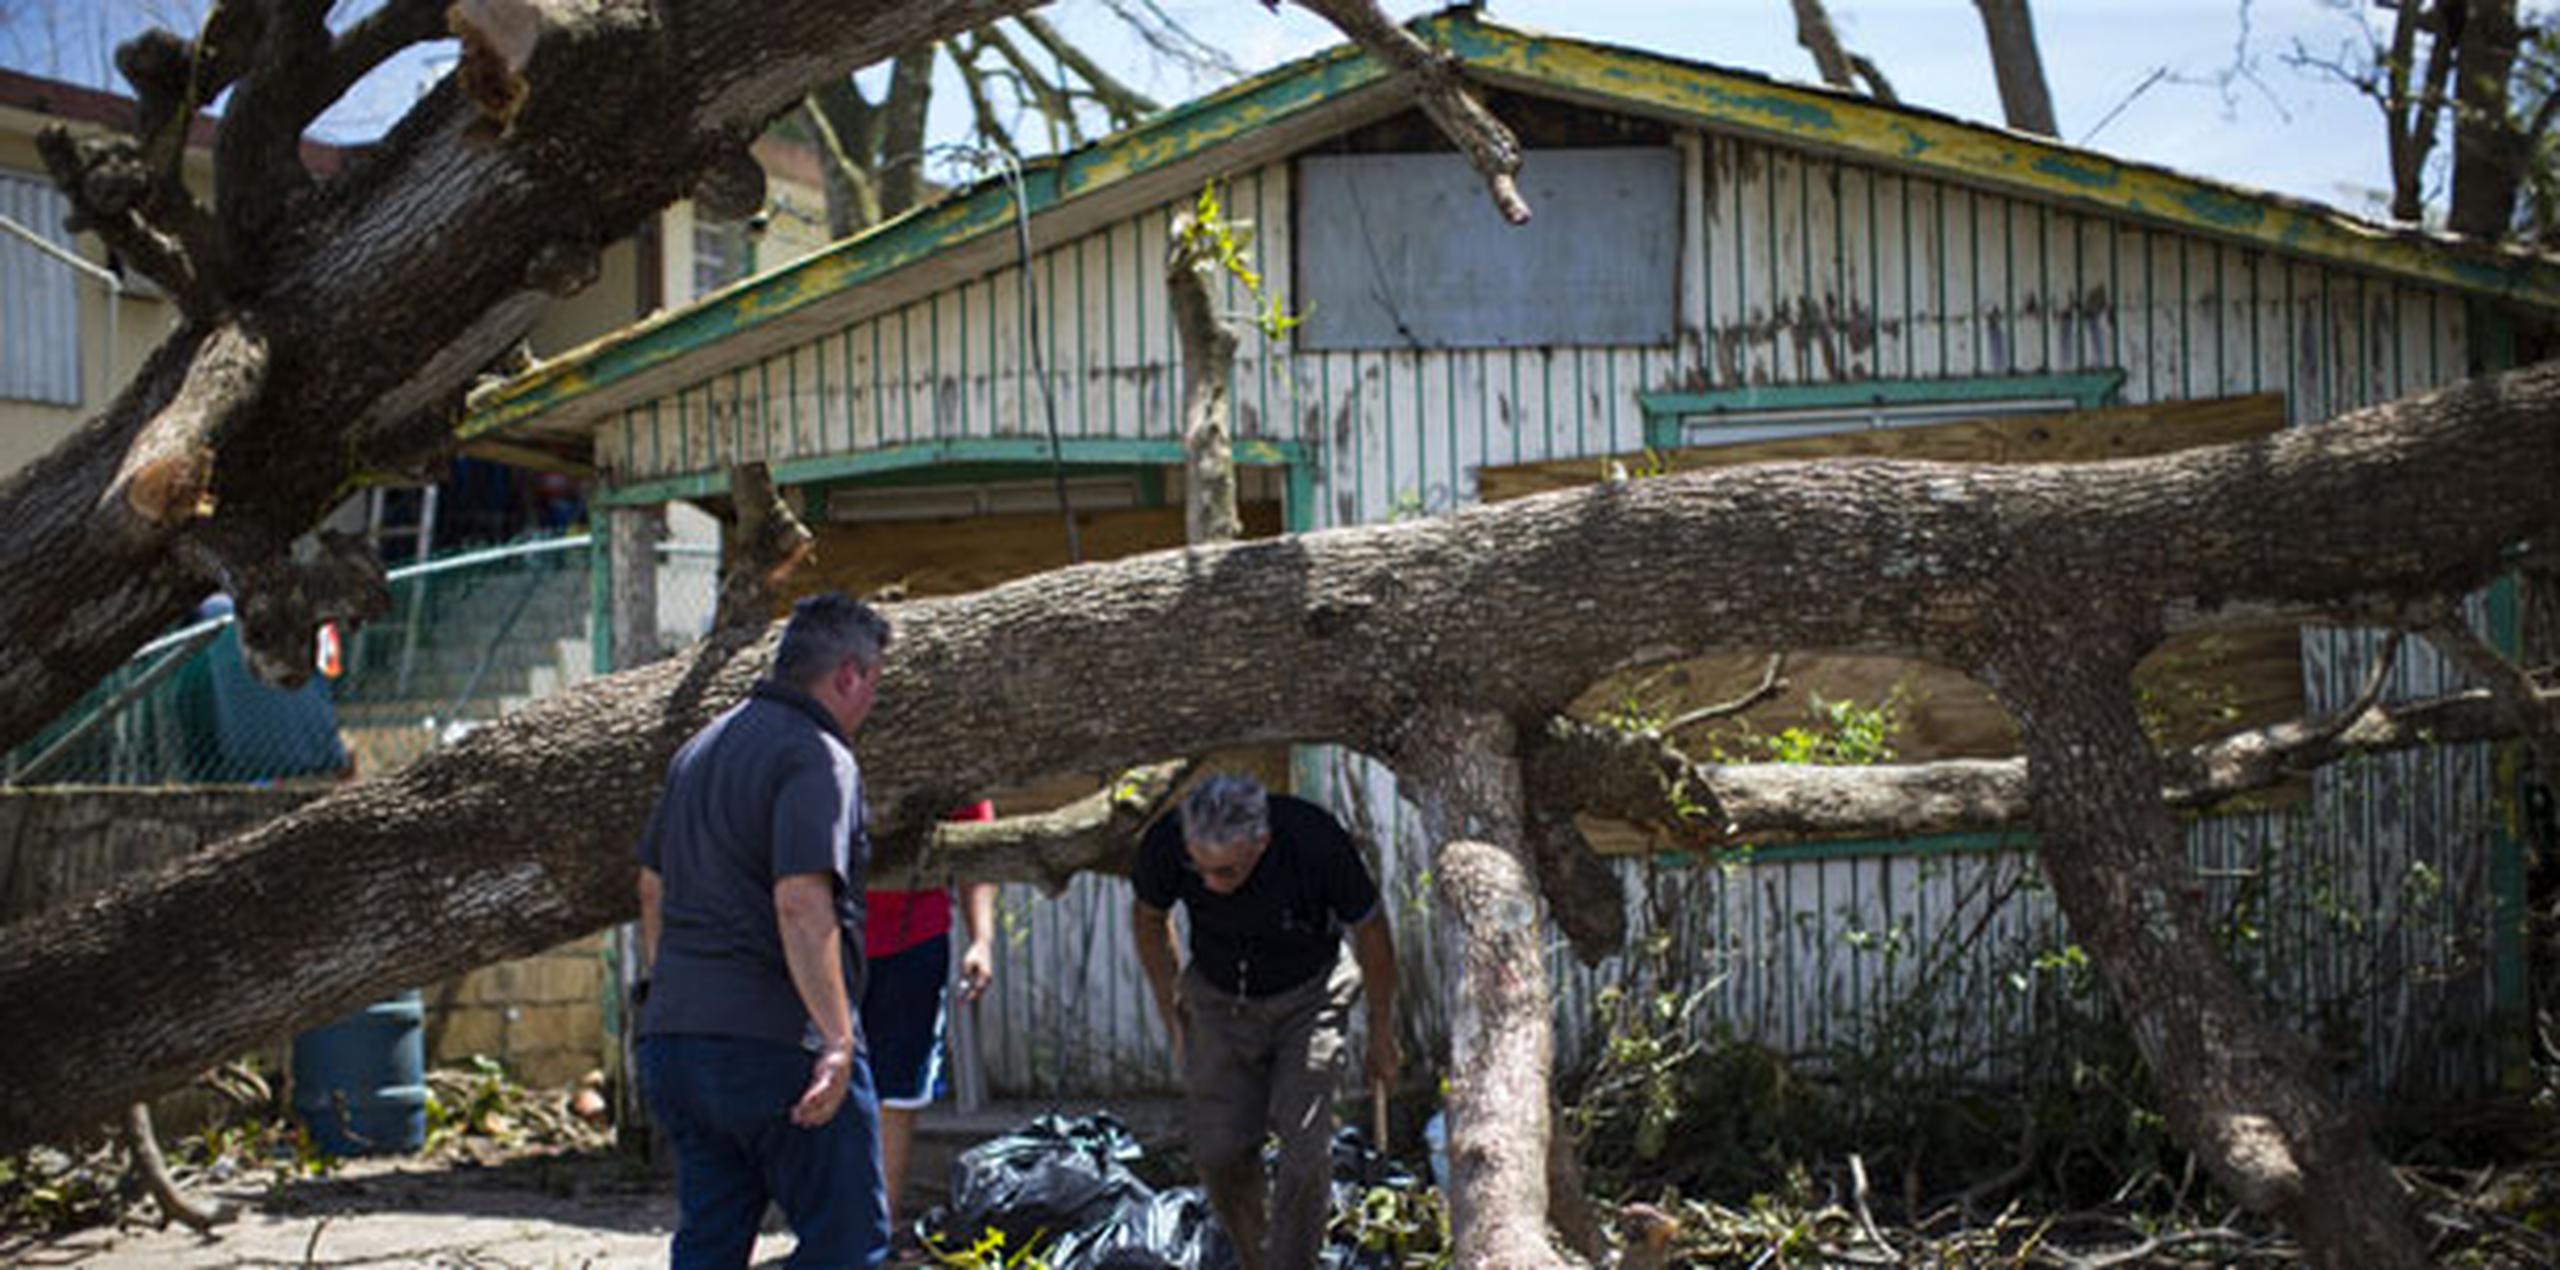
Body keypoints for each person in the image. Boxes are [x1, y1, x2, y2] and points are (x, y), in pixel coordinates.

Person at [634, 592, 893, 1269]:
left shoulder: (703, 745)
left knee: (709, 1244)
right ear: (848, 676)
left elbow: (651, 886)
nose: (872, 704)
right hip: (780, 1046)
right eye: (875, 685)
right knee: (847, 1246)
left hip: (678, 1044)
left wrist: (678, 995)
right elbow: (802, 903)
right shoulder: (817, 756)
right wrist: (837, 1041)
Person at [1130, 774, 1400, 1270]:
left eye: (1227, 873)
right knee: (1219, 1151)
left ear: (1262, 842)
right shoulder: (1167, 842)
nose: (1211, 884)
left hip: (1310, 995)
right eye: (1200, 869)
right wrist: (1174, 1016)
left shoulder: (1314, 840)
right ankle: (1257, 1258)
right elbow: (1148, 918)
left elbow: (1372, 928)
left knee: (1304, 1148)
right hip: (1216, 996)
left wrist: (1383, 1033)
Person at [865, 802, 999, 1233]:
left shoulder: (946, 753)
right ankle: (826, 1229)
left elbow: (976, 851)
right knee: (815, 1084)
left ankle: (876, 1232)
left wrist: (981, 939)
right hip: (820, 938)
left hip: (912, 938)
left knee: (898, 1091)